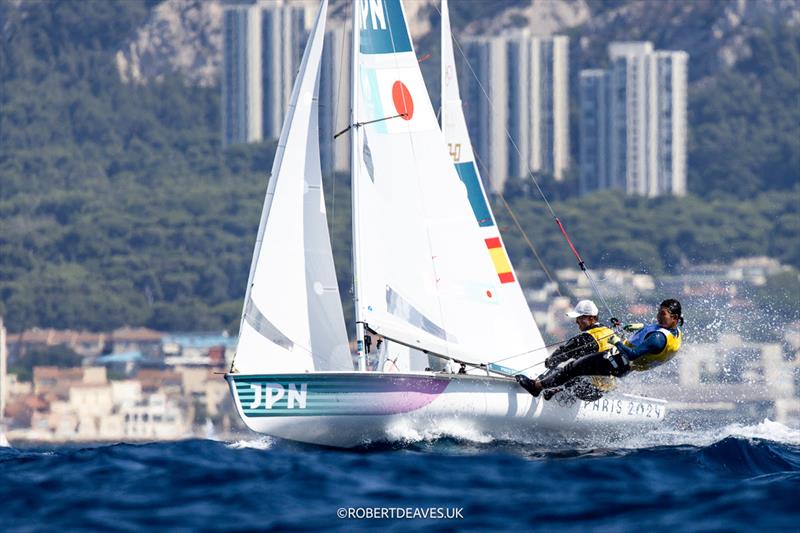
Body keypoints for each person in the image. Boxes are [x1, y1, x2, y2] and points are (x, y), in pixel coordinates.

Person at [516, 299, 684, 398]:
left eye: (662, 314)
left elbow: (632, 354)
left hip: (618, 360)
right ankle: (554, 391)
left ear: (674, 317)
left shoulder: (657, 339)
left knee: (574, 367)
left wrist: (617, 341)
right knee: (578, 372)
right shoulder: (674, 333)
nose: (657, 316)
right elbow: (653, 330)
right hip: (622, 369)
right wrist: (636, 327)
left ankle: (536, 387)